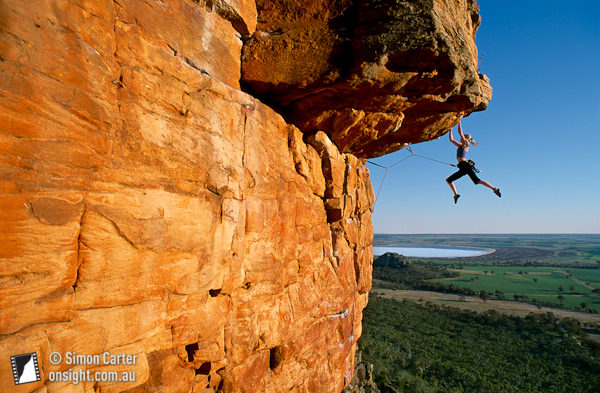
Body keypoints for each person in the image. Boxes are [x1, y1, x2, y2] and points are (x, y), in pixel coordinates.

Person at [446, 120, 501, 204]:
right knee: (449, 180)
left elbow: (460, 133)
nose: (461, 138)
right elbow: (451, 139)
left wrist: (459, 122)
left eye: (463, 137)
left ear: (466, 139)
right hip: (462, 166)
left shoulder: (466, 144)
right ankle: (456, 194)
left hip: (465, 165)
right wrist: (450, 129)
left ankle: (494, 189)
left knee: (477, 181)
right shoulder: (460, 145)